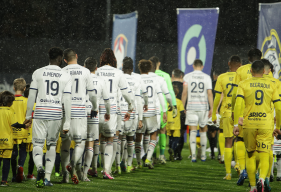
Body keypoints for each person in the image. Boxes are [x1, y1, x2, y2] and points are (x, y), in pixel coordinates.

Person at [24, 47, 72, 188]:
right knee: (51, 145)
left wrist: (28, 115)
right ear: (60, 58)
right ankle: (46, 178)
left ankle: (39, 167)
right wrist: (67, 122)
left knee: (38, 144)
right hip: (56, 114)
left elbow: (32, 95)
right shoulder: (65, 75)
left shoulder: (38, 72)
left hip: (40, 112)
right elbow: (67, 100)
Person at [233, 60, 281, 192]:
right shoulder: (272, 85)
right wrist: (278, 126)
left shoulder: (243, 84)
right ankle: (262, 178)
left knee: (251, 155)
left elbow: (238, 105)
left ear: (251, 71)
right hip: (266, 123)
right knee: (265, 153)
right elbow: (278, 107)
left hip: (249, 123)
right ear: (265, 71)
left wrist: (236, 124)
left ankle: (253, 186)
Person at [60, 48, 98, 184]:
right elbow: (93, 94)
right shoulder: (85, 71)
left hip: (65, 113)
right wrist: (95, 107)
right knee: (80, 143)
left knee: (65, 143)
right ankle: (72, 163)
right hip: (80, 112)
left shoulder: (62, 72)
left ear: (64, 60)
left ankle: (65, 175)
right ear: (76, 56)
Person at [96, 48, 134, 179]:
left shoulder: (97, 71)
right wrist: (131, 106)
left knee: (94, 140)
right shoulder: (118, 73)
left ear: (102, 59)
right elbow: (126, 93)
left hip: (96, 109)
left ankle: (92, 168)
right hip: (111, 110)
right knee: (110, 140)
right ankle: (106, 169)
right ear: (113, 60)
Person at [212, 55, 242, 181]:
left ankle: (228, 174)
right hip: (239, 112)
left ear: (229, 63)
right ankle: (240, 167)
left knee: (228, 142)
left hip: (226, 112)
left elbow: (218, 97)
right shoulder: (243, 77)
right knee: (239, 140)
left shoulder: (222, 77)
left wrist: (214, 112)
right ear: (240, 65)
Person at [83, 57, 110, 180]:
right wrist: (108, 112)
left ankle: (68, 171)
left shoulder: (81, 78)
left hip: (79, 112)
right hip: (93, 113)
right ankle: (85, 173)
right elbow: (107, 99)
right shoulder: (100, 80)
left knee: (77, 142)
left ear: (84, 67)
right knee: (91, 142)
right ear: (96, 68)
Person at [181, 59, 213, 162]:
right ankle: (203, 155)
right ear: (202, 66)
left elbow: (184, 92)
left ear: (193, 66)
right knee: (203, 131)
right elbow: (209, 93)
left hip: (191, 106)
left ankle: (194, 156)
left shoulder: (187, 76)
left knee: (193, 131)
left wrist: (182, 106)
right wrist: (211, 107)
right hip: (203, 107)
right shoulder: (207, 77)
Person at [138, 59, 166, 169]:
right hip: (152, 111)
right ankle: (148, 158)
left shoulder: (137, 78)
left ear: (140, 68)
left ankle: (140, 161)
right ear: (150, 68)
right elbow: (160, 95)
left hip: (140, 111)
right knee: (153, 135)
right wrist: (164, 111)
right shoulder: (154, 80)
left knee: (139, 136)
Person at [119, 56, 145, 172]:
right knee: (130, 139)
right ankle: (129, 164)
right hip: (131, 113)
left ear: (122, 67)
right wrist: (140, 118)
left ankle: (118, 165)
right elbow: (139, 101)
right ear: (132, 68)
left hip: (119, 112)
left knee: (119, 139)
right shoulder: (136, 80)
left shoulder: (118, 78)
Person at [0, 91, 30, 186]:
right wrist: (24, 125)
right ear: (9, 103)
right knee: (6, 161)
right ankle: (4, 181)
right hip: (7, 141)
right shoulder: (10, 111)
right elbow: (14, 124)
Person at [150, 56, 177, 161]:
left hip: (150, 107)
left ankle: (152, 156)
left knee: (151, 132)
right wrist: (173, 105)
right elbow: (170, 92)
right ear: (159, 64)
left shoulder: (147, 75)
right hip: (162, 108)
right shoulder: (165, 76)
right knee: (162, 131)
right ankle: (161, 155)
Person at [262, 58, 280, 189]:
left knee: (265, 148)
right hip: (275, 116)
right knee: (276, 147)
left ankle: (266, 175)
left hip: (261, 118)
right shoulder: (277, 83)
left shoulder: (257, 82)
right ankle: (277, 173)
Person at [10, 78, 28, 183]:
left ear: (13, 87)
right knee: (23, 150)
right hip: (23, 129)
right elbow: (29, 116)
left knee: (13, 152)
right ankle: (20, 167)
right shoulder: (26, 101)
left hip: (12, 130)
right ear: (25, 88)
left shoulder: (9, 100)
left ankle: (13, 175)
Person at [167, 84, 184, 161]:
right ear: (177, 93)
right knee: (176, 139)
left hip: (168, 123)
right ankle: (173, 151)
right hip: (176, 124)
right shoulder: (179, 102)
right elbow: (182, 113)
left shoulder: (166, 102)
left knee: (170, 139)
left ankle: (170, 148)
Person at [171, 69, 186, 160]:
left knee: (170, 132)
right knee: (181, 132)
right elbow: (185, 95)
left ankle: (171, 149)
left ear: (172, 76)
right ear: (181, 76)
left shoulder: (169, 85)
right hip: (182, 111)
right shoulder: (184, 86)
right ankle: (178, 153)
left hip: (170, 111)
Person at [23, 84, 36, 180]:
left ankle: (20, 172)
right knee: (32, 156)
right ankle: (30, 174)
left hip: (23, 132)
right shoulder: (37, 105)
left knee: (22, 154)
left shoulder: (23, 103)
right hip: (34, 133)